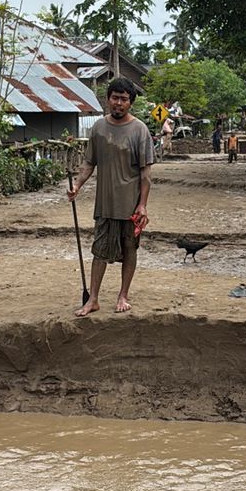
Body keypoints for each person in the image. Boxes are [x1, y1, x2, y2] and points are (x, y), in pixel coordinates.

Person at [68, 76, 154, 316]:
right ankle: (93, 299)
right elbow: (88, 163)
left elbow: (146, 173)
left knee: (129, 249)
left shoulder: (139, 130)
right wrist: (77, 186)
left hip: (130, 205)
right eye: (115, 98)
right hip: (105, 203)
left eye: (123, 99)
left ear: (130, 103)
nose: (118, 103)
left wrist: (143, 205)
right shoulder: (98, 128)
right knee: (99, 251)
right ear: (107, 100)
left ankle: (123, 295)